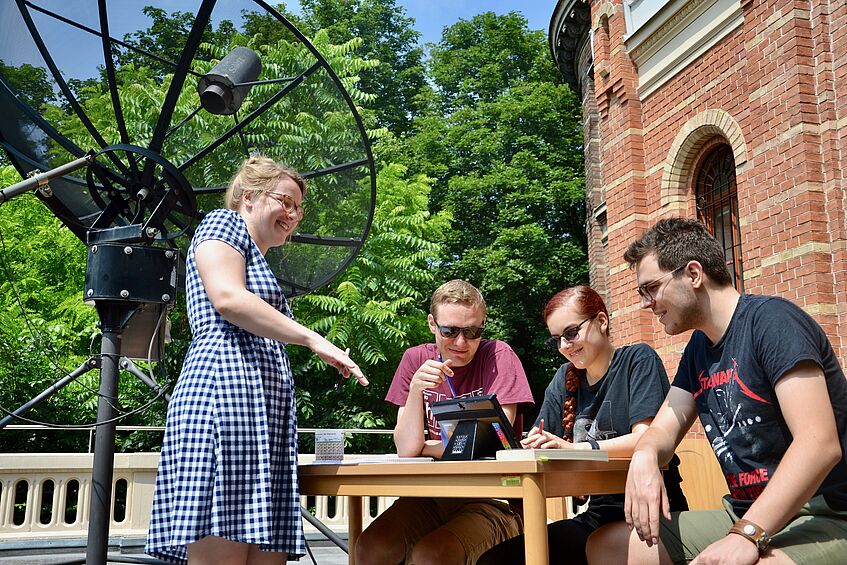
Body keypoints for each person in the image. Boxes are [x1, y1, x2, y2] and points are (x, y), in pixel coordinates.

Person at [145, 155, 367, 565]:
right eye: (285, 201)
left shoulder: (259, 257)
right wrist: (314, 339)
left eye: (299, 207)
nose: (294, 214)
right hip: (223, 405)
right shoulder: (221, 224)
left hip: (263, 419)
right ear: (249, 196)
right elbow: (228, 299)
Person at [586, 217, 847, 565]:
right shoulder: (698, 349)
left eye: (650, 288)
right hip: (742, 512)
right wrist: (646, 455)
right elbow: (664, 427)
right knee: (606, 546)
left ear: (693, 274)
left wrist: (747, 534)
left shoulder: (772, 321)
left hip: (825, 515)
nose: (645, 304)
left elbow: (819, 444)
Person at [477, 285, 687, 565]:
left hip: (652, 513)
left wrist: (576, 448)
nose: (565, 346)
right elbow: (542, 442)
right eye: (557, 339)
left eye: (571, 332)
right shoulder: (564, 378)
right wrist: (531, 446)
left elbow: (645, 438)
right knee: (495, 561)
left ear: (601, 321)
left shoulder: (637, 359)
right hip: (596, 519)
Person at [354, 279, 534, 565]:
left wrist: (428, 447)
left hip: (493, 499)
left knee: (433, 554)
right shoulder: (415, 359)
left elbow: (491, 441)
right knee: (370, 547)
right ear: (431, 324)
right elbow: (406, 448)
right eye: (449, 331)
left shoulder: (498, 355)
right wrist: (415, 390)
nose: (461, 342)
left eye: (473, 331)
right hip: (430, 497)